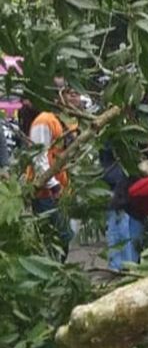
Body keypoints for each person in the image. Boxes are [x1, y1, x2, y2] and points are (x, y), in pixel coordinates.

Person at [24, 103, 74, 256]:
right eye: (71, 94)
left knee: (63, 236)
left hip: (59, 190)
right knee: (56, 237)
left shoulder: (64, 121)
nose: (76, 98)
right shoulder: (44, 121)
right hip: (45, 192)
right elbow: (39, 157)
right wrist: (54, 185)